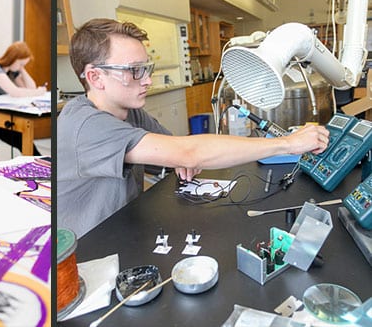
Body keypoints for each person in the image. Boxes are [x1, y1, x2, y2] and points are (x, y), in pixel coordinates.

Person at [57, 18, 330, 238]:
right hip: (85, 252)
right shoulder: (84, 125)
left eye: (146, 68)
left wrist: (177, 156)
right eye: (134, 70)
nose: (148, 80)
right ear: (95, 77)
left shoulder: (130, 114)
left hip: (125, 229)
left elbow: (178, 149)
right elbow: (189, 151)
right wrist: (289, 143)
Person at [0, 41, 48, 156]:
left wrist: (22, 69)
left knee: (23, 138)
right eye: (20, 64)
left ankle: (38, 163)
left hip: (1, 115)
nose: (21, 67)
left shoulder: (11, 72)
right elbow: (16, 92)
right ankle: (39, 164)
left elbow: (29, 87)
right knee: (22, 138)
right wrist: (38, 92)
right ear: (12, 58)